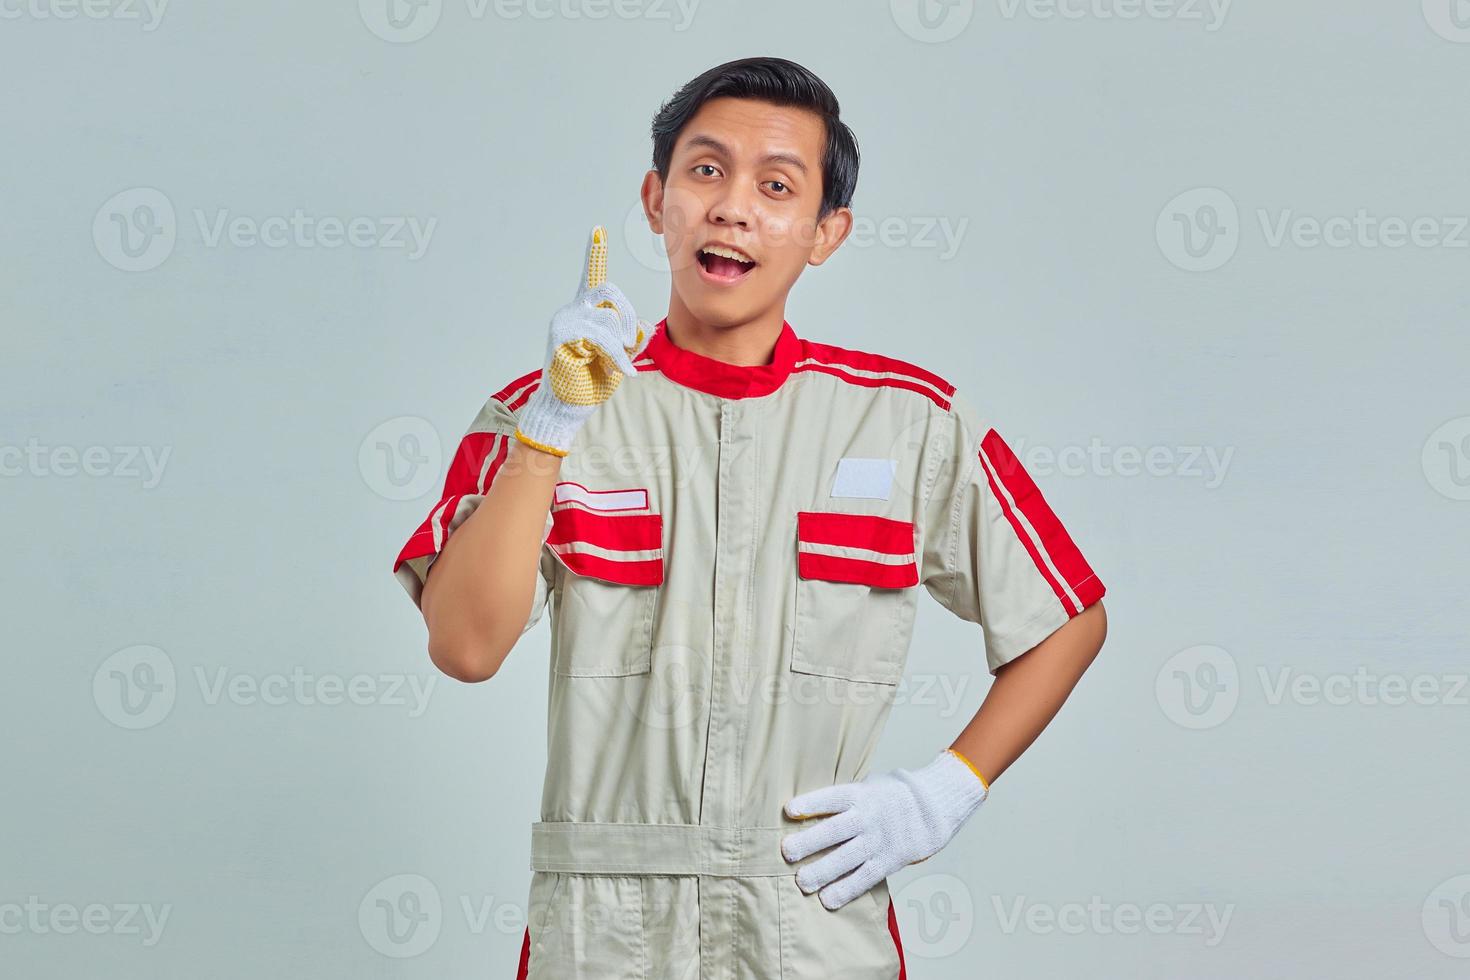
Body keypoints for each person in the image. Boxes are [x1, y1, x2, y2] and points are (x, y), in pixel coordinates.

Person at [392, 55, 1107, 980]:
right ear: (656, 201)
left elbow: (1066, 618)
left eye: (777, 186)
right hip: (605, 932)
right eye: (705, 171)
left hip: (809, 916)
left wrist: (942, 793)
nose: (732, 206)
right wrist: (552, 429)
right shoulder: (543, 409)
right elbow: (465, 647)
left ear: (825, 232)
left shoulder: (909, 421)